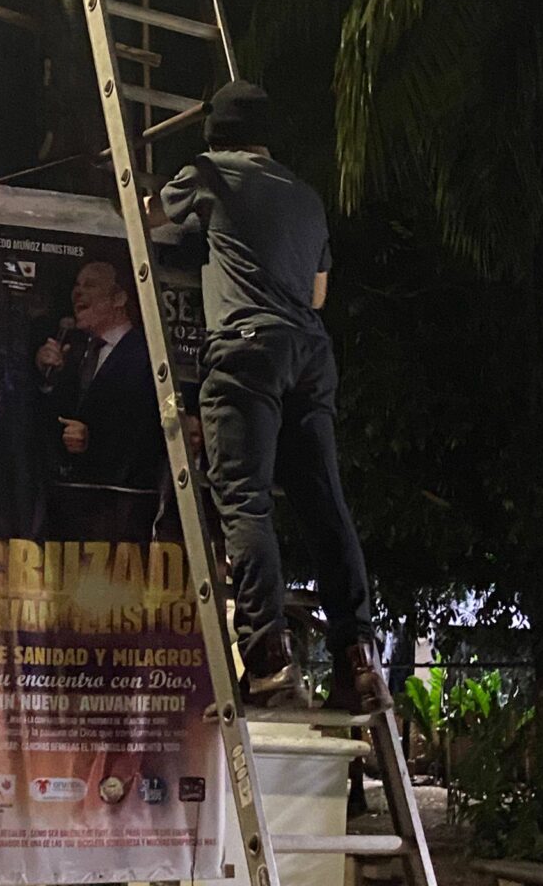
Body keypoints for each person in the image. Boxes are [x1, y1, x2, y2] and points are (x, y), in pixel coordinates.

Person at [150, 80, 392, 715]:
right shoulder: (306, 196)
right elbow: (317, 295)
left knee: (245, 502)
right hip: (310, 355)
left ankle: (266, 659)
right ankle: (359, 660)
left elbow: (144, 216)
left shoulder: (208, 173)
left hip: (245, 352)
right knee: (324, 505)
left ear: (216, 134)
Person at [35, 260, 164, 490]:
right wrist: (49, 379)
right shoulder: (73, 351)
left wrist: (92, 441)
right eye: (77, 285)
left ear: (119, 298)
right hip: (68, 489)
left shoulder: (146, 355)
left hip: (120, 493)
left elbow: (147, 430)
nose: (78, 292)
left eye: (90, 285)